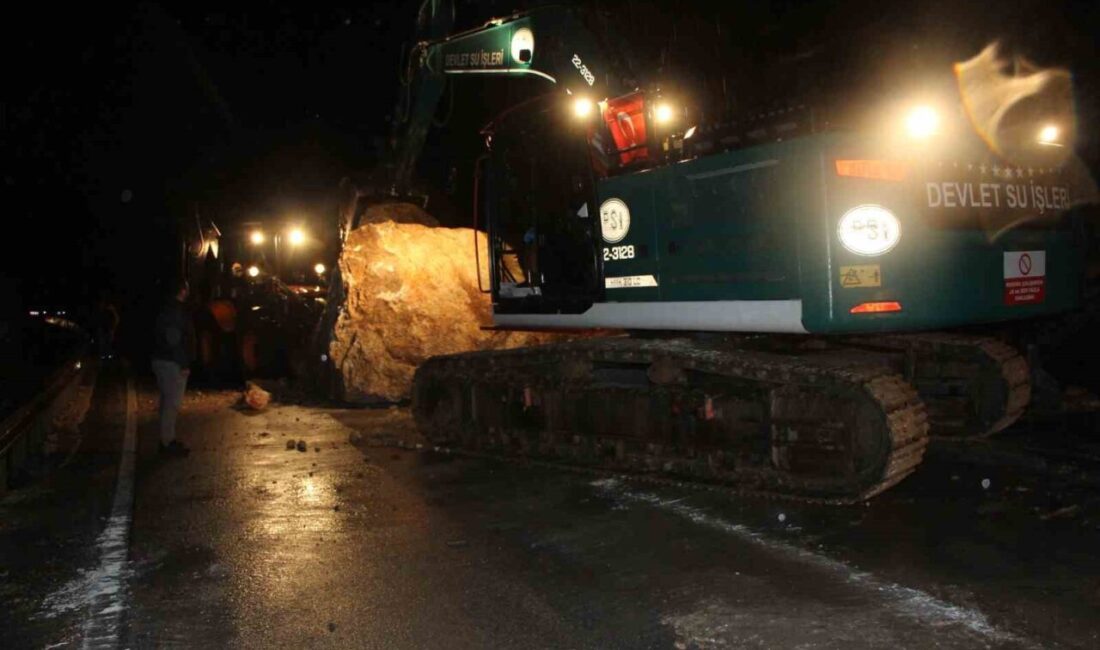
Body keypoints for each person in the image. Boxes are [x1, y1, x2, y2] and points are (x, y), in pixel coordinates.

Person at [152, 278, 195, 456]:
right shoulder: (176, 310)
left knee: (166, 402)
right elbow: (174, 338)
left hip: (162, 359)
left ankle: (166, 439)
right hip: (171, 363)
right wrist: (183, 363)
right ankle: (167, 442)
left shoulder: (166, 307)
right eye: (187, 288)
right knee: (172, 404)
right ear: (182, 290)